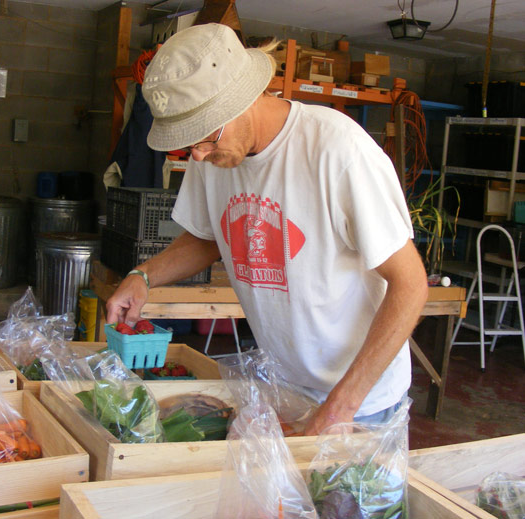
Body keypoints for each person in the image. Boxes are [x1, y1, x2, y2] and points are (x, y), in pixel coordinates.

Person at [106, 23, 428, 435]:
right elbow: (208, 238)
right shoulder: (213, 158)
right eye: (189, 146)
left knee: (345, 500)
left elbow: (411, 284)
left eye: (204, 138)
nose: (198, 155)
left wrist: (339, 408)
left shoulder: (337, 151)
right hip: (283, 385)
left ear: (243, 100)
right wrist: (143, 276)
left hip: (361, 402)